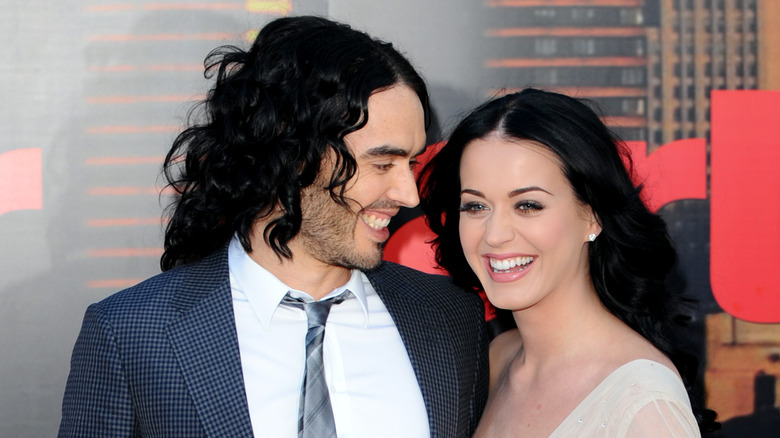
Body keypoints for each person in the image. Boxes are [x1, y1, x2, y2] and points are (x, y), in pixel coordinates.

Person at [58, 16, 488, 437]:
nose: (408, 194)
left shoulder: (450, 319)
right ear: (292, 154)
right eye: (381, 163)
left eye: (411, 163)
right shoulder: (131, 333)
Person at [419, 88, 719, 437]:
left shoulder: (644, 404)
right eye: (476, 206)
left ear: (592, 215)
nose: (495, 234)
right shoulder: (496, 358)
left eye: (528, 205)